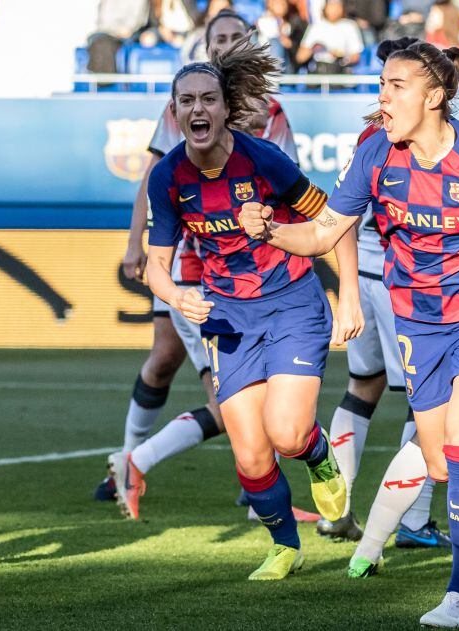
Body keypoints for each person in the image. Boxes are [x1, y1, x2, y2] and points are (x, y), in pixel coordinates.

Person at [239, 39, 459, 624]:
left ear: (434, 97)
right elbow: (323, 233)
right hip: (418, 321)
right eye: (380, 84)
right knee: (442, 464)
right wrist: (268, 230)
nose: (382, 97)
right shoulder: (375, 153)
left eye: (395, 86)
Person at [147, 36, 362, 580]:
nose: (198, 109)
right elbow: (155, 266)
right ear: (174, 113)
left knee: (287, 435)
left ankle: (317, 455)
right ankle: (285, 546)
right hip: (227, 316)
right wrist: (176, 295)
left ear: (225, 109)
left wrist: (349, 297)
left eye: (208, 99)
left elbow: (332, 223)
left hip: (292, 304)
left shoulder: (262, 159)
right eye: (187, 101)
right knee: (250, 456)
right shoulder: (167, 177)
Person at [100, 10, 324, 525]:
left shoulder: (270, 115)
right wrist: (136, 243)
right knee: (229, 402)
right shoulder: (184, 109)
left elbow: (293, 190)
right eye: (217, 37)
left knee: (168, 362)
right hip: (201, 273)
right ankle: (144, 464)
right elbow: (156, 178)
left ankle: (138, 463)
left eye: (234, 37)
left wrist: (286, 231)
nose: (225, 44)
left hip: (258, 275)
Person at [318, 37, 450, 551]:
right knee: (424, 399)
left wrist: (350, 288)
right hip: (400, 280)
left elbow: (339, 214)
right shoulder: (398, 140)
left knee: (362, 385)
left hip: (365, 272)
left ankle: (335, 511)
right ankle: (414, 519)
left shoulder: (369, 135)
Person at [295, 0, 364, 74]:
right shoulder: (316, 26)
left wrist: (342, 58)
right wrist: (314, 48)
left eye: (337, 7)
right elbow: (300, 58)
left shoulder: (350, 26)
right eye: (331, 6)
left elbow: (356, 57)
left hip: (340, 70)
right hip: (319, 71)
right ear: (325, 7)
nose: (334, 10)